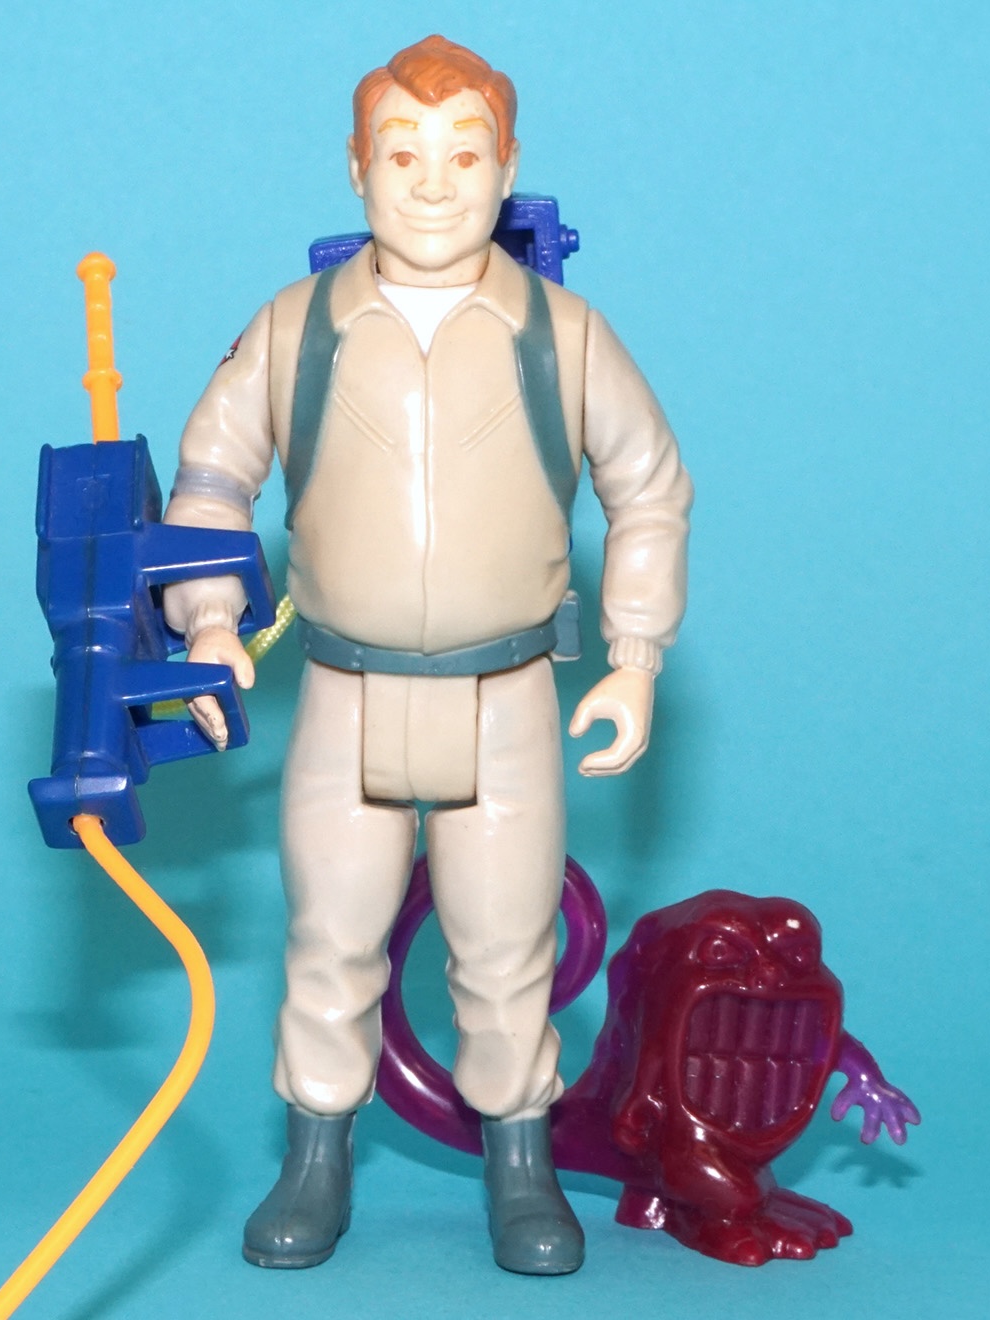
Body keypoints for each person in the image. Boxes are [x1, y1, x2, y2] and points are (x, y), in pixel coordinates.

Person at [159, 34, 692, 1275]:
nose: (436, 183)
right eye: (403, 155)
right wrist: (208, 620)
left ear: (508, 169)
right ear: (357, 171)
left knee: (505, 948)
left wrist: (635, 652)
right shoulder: (297, 329)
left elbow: (649, 487)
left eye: (465, 155)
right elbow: (211, 480)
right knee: (329, 936)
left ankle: (521, 1159)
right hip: (344, 696)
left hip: (505, 696)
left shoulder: (562, 335)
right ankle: (316, 1153)